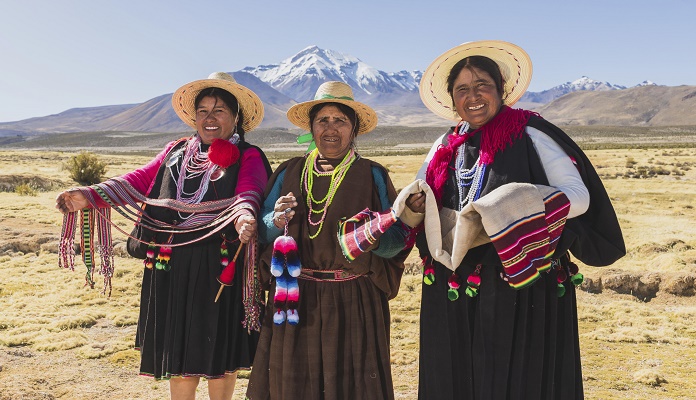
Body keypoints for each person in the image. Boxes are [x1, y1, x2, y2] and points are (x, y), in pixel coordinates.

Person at [401, 40, 626, 399]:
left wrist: (514, 207)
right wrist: (414, 203)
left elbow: (579, 197)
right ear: (452, 99)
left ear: (501, 89)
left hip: (521, 283)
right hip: (454, 283)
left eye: (482, 86)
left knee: (518, 378)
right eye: (462, 89)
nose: (473, 96)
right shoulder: (445, 145)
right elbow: (422, 195)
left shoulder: (530, 132)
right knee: (456, 375)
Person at [55, 72, 272, 400]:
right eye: (203, 110)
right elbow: (139, 179)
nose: (209, 118)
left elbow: (250, 192)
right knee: (179, 355)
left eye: (219, 111)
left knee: (218, 356)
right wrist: (91, 195)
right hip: (171, 268)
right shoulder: (175, 151)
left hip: (219, 268)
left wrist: (243, 217)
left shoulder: (248, 156)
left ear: (236, 117)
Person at [246, 81, 414, 400]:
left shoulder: (373, 174)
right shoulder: (288, 171)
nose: (331, 128)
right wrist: (274, 220)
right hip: (295, 299)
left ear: (354, 130)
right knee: (292, 389)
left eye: (341, 120)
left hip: (355, 300)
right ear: (312, 128)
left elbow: (399, 240)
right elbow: (264, 231)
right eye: (323, 120)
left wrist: (371, 238)